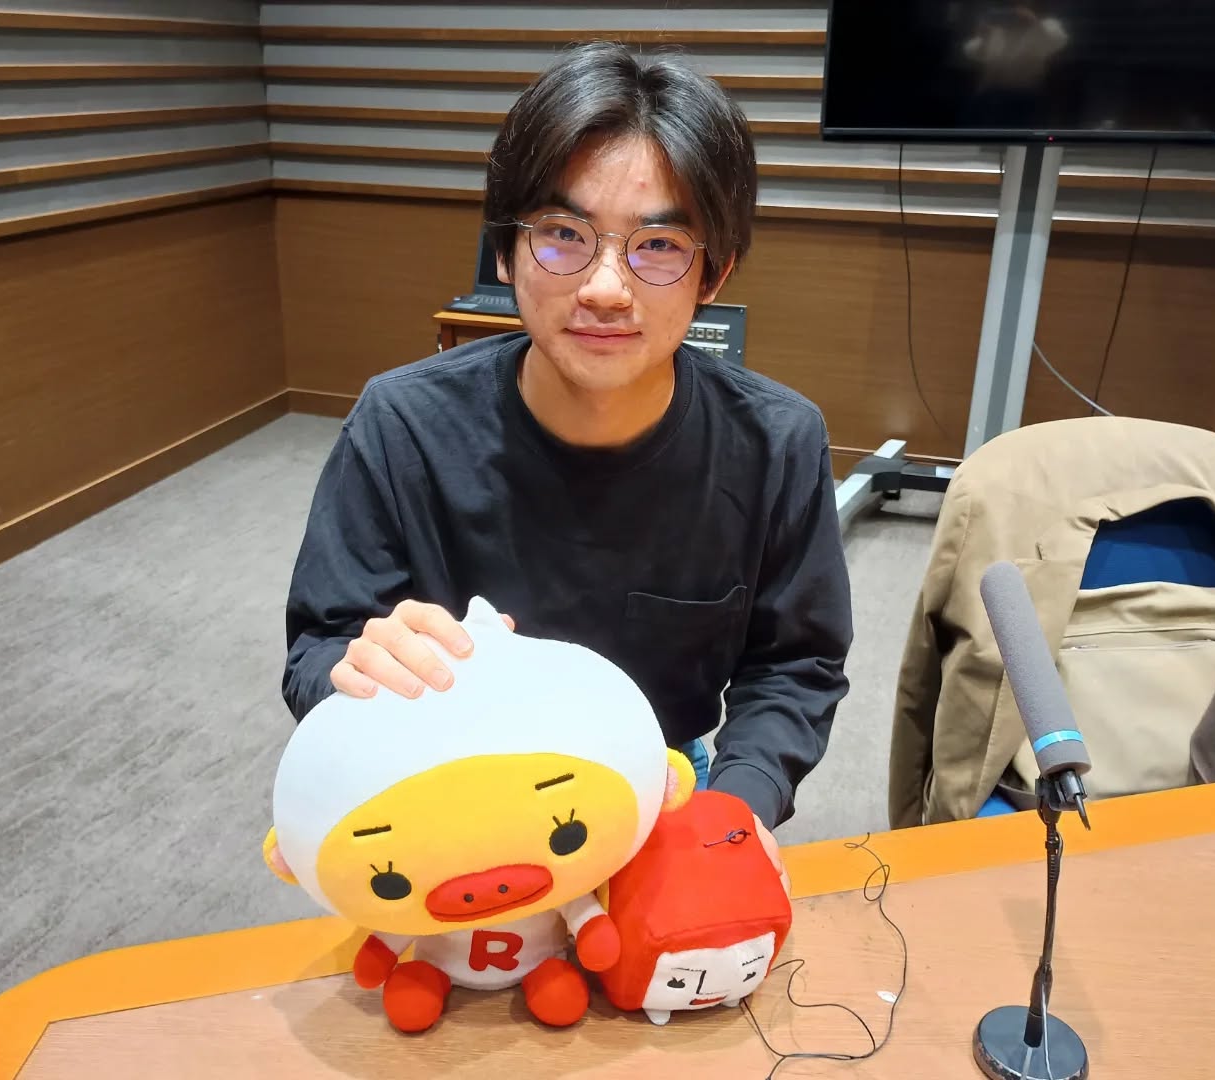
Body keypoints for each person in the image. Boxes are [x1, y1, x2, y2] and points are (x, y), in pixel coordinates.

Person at [281, 42, 852, 875]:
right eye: (561, 234)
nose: (606, 288)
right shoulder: (400, 424)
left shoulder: (777, 444)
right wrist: (360, 669)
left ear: (715, 273)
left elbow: (795, 663)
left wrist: (736, 807)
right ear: (504, 252)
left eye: (659, 244)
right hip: (447, 782)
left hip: (665, 784)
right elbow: (319, 648)